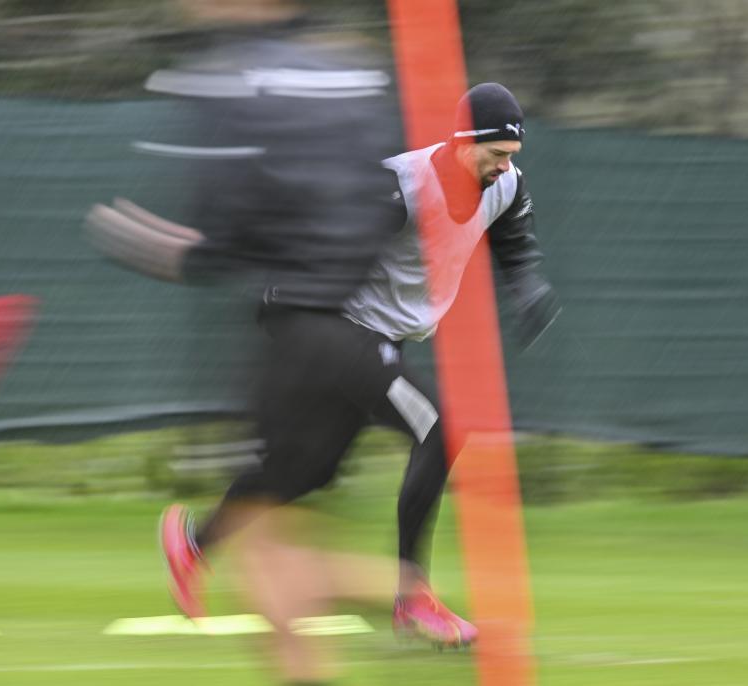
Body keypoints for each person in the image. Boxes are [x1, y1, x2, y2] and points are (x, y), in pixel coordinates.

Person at [87, 0, 558, 658]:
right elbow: (330, 244)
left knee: (303, 472)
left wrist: (527, 286)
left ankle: (194, 543)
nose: (504, 166)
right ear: (461, 142)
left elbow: (514, 232)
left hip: (374, 342)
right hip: (341, 330)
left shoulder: (506, 183)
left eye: (511, 155)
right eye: (495, 153)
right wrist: (266, 292)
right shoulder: (402, 187)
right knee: (437, 429)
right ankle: (412, 597)